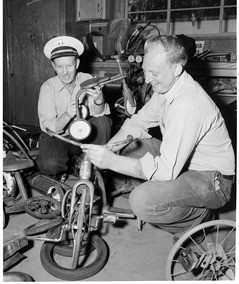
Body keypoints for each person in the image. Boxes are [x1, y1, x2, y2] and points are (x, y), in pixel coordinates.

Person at [81, 35, 235, 240]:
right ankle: (162, 194)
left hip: (212, 180)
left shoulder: (187, 105)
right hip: (186, 162)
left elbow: (166, 171)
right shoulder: (166, 88)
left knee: (142, 201)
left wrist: (113, 161)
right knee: (128, 147)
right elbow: (137, 123)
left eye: (154, 73)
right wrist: (110, 148)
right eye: (145, 70)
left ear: (176, 69)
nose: (147, 79)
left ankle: (197, 219)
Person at [37, 36, 112, 178]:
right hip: (59, 136)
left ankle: (94, 166)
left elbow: (99, 114)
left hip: (84, 133)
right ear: (53, 66)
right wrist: (67, 115)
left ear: (77, 63)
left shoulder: (86, 79)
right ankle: (66, 168)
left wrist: (99, 99)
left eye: (69, 66)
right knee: (50, 164)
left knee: (103, 122)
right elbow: (48, 127)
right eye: (59, 66)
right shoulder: (48, 87)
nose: (65, 72)